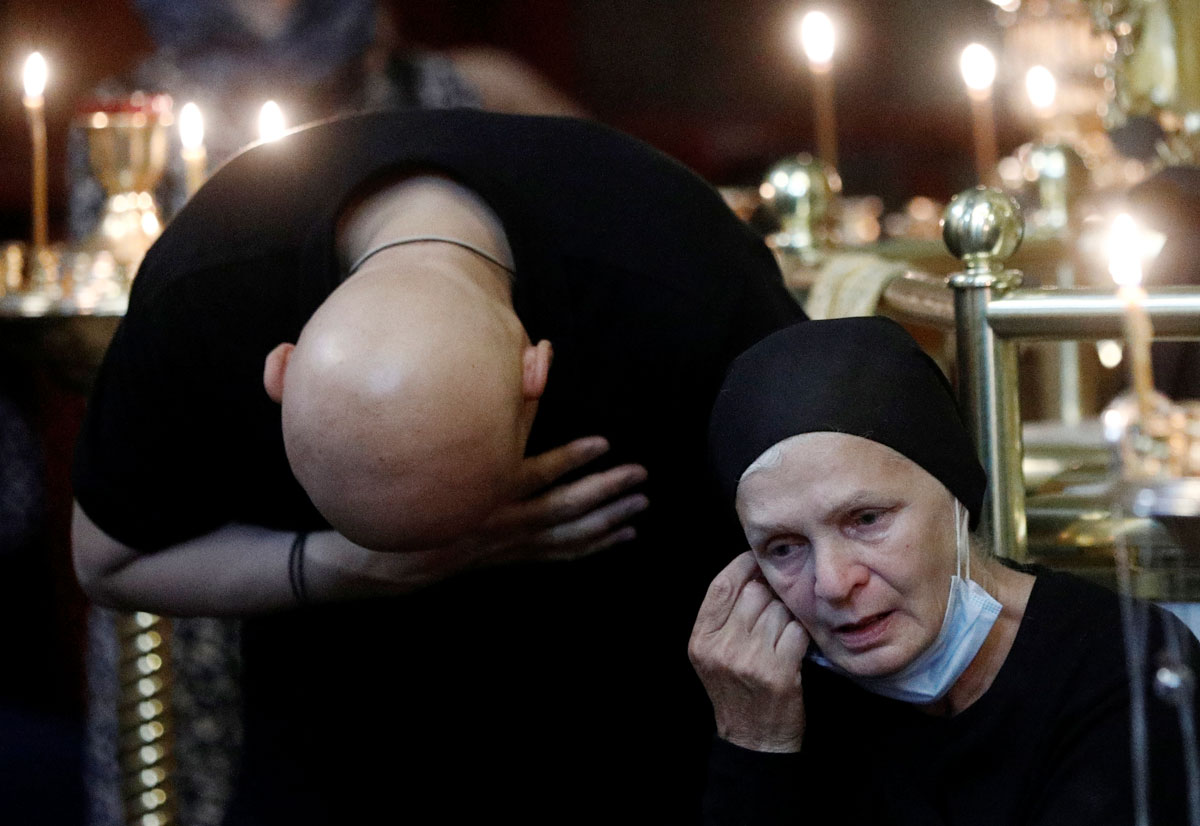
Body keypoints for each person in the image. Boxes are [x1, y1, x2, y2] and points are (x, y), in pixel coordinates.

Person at [71, 107, 804, 824]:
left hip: (630, 717)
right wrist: (348, 567)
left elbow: (823, 527)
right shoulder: (206, 286)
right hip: (333, 721)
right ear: (281, 371)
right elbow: (106, 562)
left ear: (536, 375)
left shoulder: (681, 270)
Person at [691, 316, 1200, 826]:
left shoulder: (1120, 667)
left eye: (866, 520)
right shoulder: (761, 691)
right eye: (783, 548)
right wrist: (756, 748)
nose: (833, 584)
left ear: (956, 493)